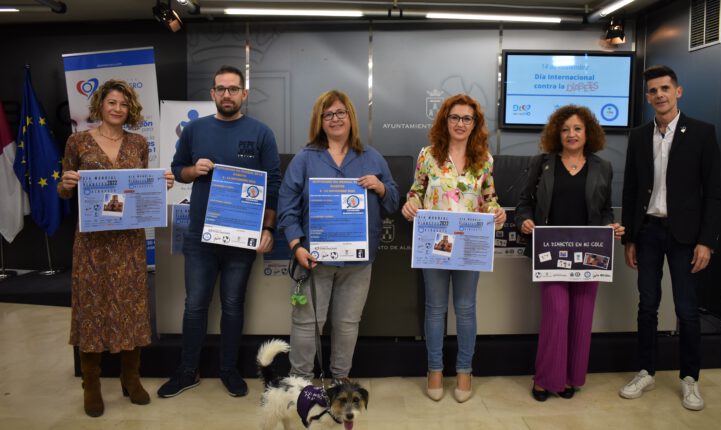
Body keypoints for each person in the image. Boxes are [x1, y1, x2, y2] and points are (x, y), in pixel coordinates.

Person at [159, 65, 282, 398]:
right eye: (220, 89)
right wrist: (191, 170)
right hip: (200, 235)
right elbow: (176, 171)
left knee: (232, 305)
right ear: (212, 94)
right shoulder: (195, 130)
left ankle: (229, 370)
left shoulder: (261, 133)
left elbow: (273, 185)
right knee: (195, 305)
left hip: (242, 238)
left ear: (244, 94)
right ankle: (187, 371)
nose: (227, 94)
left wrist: (268, 227)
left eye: (233, 89)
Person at [57, 79, 175, 417]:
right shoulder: (77, 141)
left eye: (123, 104)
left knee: (130, 306)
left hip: (128, 241)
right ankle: (91, 383)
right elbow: (65, 189)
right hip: (92, 242)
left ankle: (130, 377)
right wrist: (64, 184)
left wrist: (160, 183)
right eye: (111, 102)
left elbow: (139, 189)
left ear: (130, 109)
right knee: (92, 308)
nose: (117, 108)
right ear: (100, 106)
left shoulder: (138, 143)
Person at [278, 89, 399, 384]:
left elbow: (394, 202)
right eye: (328, 114)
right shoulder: (305, 159)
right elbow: (287, 205)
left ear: (351, 117)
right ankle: (300, 382)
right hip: (314, 259)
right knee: (306, 323)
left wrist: (381, 188)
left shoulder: (371, 158)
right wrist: (296, 245)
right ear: (320, 121)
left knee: (347, 324)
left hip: (357, 263)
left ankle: (340, 380)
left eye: (340, 113)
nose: (335, 119)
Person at [619, 65, 721, 411]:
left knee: (687, 310)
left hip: (686, 237)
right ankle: (646, 370)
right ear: (647, 97)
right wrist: (629, 238)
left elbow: (714, 193)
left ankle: (690, 378)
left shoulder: (703, 133)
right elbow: (631, 189)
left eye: (665, 88)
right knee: (647, 306)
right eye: (652, 91)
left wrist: (706, 240)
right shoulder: (637, 135)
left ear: (678, 91)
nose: (659, 95)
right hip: (647, 231)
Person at [401, 94, 506, 403]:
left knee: (465, 308)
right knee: (435, 309)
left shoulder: (484, 158)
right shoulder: (428, 154)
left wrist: (497, 212)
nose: (461, 124)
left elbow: (490, 198)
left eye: (467, 119)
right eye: (455, 118)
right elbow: (416, 190)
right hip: (434, 244)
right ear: (444, 121)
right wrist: (410, 203)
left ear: (475, 124)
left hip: (470, 245)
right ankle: (434, 369)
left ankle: (464, 370)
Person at [515, 105, 624, 402]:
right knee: (557, 314)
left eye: (577, 128)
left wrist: (610, 227)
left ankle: (569, 378)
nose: (571, 134)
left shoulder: (603, 166)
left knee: (581, 316)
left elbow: (603, 210)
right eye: (565, 129)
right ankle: (544, 379)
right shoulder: (542, 163)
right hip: (550, 254)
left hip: (590, 254)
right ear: (556, 134)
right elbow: (525, 202)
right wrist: (524, 219)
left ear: (588, 132)